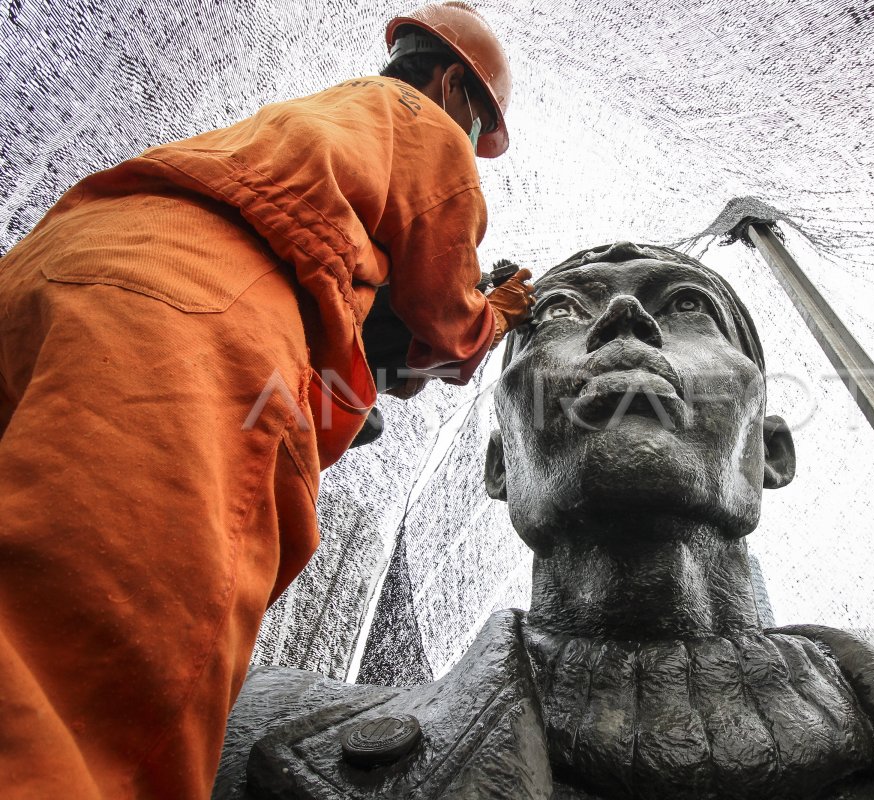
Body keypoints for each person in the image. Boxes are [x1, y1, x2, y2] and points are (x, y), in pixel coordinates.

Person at [211, 243, 874, 800]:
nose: (625, 318)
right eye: (558, 313)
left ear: (770, 454)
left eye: (687, 306)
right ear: (500, 465)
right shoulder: (235, 737)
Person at [0, 3, 534, 797]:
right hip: (185, 313)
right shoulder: (419, 122)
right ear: (455, 85)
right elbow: (447, 312)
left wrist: (379, 371)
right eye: (477, 129)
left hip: (55, 274)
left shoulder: (308, 134)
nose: (472, 153)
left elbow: (316, 369)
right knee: (94, 667)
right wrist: (492, 316)